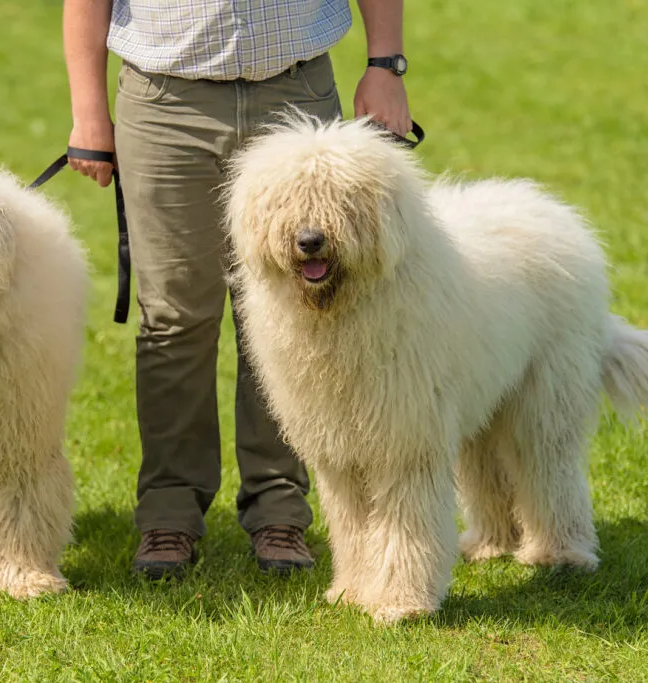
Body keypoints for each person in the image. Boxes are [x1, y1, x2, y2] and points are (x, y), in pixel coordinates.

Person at [62, 0, 414, 579]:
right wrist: (88, 110)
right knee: (175, 318)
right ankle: (169, 514)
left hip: (295, 95)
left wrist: (385, 64)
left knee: (294, 315)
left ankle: (279, 508)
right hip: (166, 105)